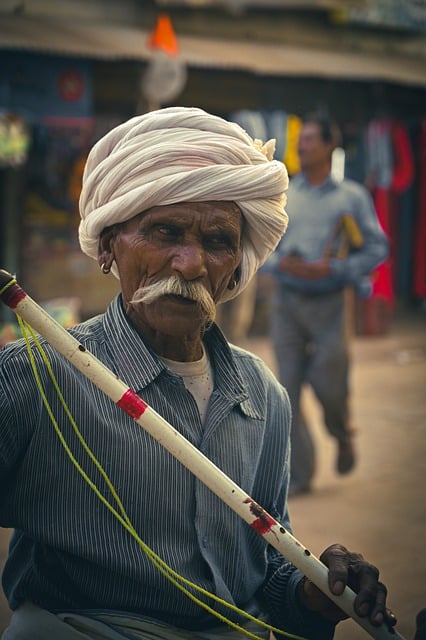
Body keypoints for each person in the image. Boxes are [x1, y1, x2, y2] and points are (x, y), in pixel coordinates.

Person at [0, 107, 396, 640]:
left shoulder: (261, 395)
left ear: (237, 263)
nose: (191, 263)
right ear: (109, 246)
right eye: (165, 232)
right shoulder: (34, 375)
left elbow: (264, 575)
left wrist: (312, 590)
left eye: (217, 242)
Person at [267, 111, 389, 496]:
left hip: (330, 305)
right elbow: (263, 247)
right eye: (300, 140)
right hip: (286, 303)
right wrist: (280, 264)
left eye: (310, 140)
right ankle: (302, 475)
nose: (302, 146)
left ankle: (342, 433)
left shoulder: (351, 197)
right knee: (286, 391)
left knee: (329, 386)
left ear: (330, 145)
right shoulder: (284, 194)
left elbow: (377, 248)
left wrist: (335, 268)